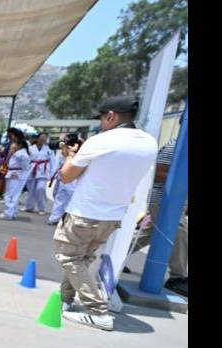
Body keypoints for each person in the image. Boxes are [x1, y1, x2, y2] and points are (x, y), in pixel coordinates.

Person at [54, 96, 158, 331]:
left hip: (85, 212)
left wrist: (70, 155)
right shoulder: (149, 143)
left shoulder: (101, 140)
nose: (101, 123)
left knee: (69, 257)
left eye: (102, 117)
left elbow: (67, 176)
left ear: (111, 116)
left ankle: (98, 311)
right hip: (112, 216)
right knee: (80, 259)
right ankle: (66, 300)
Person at [123, 137, 188, 297]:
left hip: (177, 201)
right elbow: (158, 172)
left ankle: (117, 256)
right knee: (179, 232)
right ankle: (176, 278)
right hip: (163, 200)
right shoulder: (177, 144)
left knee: (148, 234)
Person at [47, 133, 82, 225]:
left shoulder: (71, 149)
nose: (63, 141)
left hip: (69, 176)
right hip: (65, 176)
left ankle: (56, 218)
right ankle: (58, 217)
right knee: (60, 197)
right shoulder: (69, 148)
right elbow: (52, 145)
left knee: (63, 197)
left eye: (66, 139)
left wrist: (75, 141)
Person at [0, 135, 31, 220]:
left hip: (17, 175)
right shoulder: (16, 153)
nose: (11, 145)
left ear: (19, 145)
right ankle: (13, 212)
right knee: (13, 194)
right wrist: (10, 153)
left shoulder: (22, 154)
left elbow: (25, 166)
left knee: (11, 194)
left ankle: (8, 213)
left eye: (13, 144)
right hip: (12, 173)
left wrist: (18, 172)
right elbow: (7, 163)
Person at [24, 132, 53, 214]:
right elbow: (26, 160)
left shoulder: (48, 149)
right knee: (31, 189)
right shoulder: (30, 148)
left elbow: (53, 162)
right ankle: (29, 207)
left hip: (43, 171)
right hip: (32, 170)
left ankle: (42, 208)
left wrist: (52, 174)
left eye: (44, 138)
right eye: (41, 138)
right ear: (37, 139)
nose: (43, 139)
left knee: (40, 189)